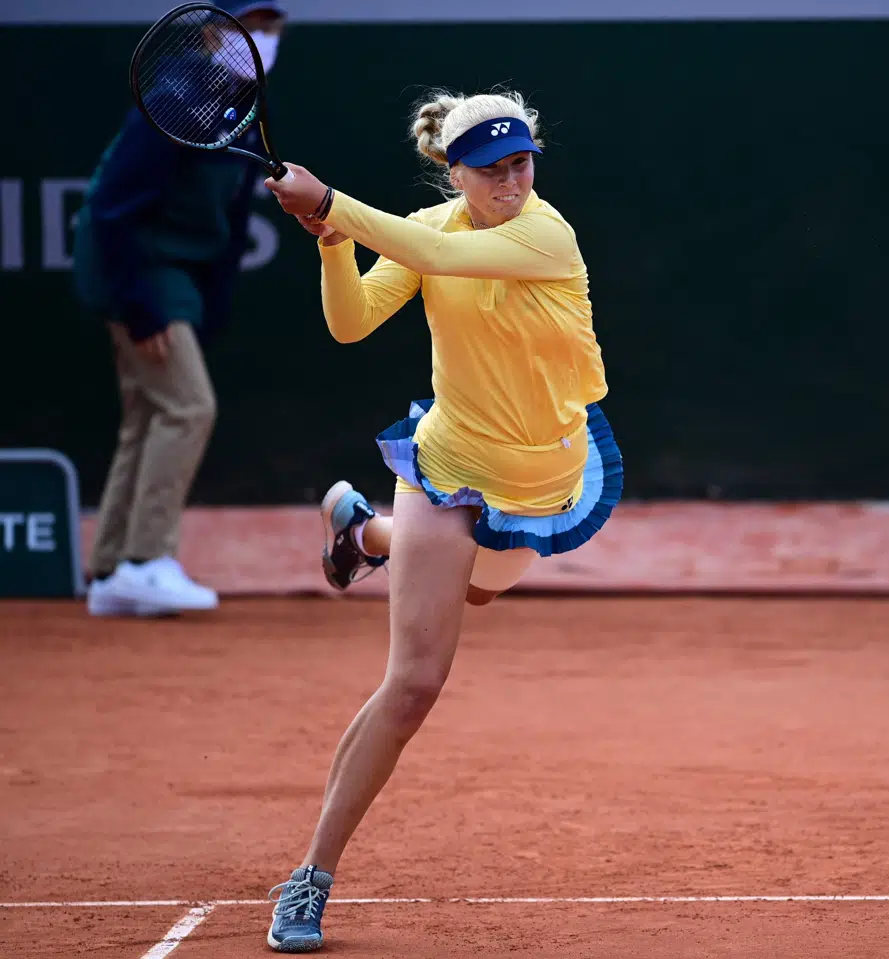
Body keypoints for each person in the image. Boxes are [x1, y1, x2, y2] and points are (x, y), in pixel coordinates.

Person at [260, 88, 623, 953]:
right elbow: (351, 323)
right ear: (453, 172)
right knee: (416, 681)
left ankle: (362, 533)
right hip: (449, 465)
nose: (511, 181)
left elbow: (431, 251)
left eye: (521, 163)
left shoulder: (546, 234)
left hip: (544, 479)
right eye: (491, 169)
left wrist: (331, 202)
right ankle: (310, 876)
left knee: (479, 588)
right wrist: (334, 244)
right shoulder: (430, 229)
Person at [75, 0, 289, 617]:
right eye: (249, 25)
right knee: (189, 407)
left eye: (272, 27)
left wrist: (213, 302)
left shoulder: (242, 105)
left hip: (176, 275)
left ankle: (111, 570)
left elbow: (233, 215)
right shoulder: (174, 100)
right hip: (139, 271)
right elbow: (111, 209)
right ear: (211, 34)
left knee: (149, 413)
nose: (262, 38)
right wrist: (138, 305)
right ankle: (146, 561)